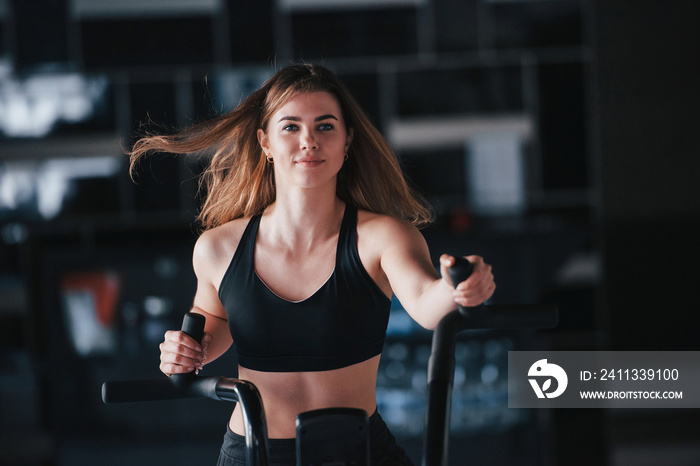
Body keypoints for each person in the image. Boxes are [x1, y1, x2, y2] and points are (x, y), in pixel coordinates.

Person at [129, 64, 495, 465]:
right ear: (265, 141)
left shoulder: (383, 237)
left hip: (359, 453)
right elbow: (212, 319)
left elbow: (426, 302)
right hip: (253, 453)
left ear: (347, 141)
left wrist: (459, 287)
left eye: (325, 127)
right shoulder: (218, 247)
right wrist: (188, 350)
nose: (309, 141)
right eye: (290, 127)